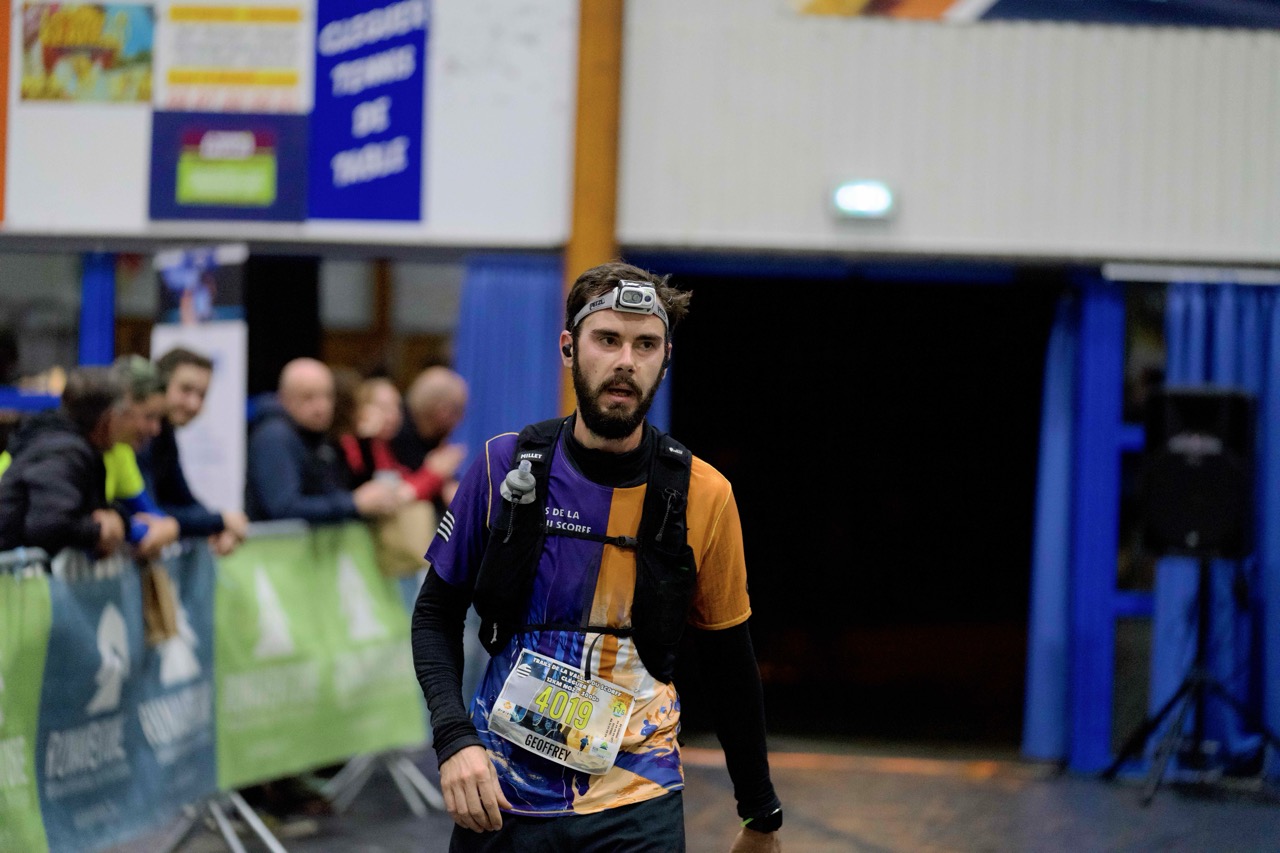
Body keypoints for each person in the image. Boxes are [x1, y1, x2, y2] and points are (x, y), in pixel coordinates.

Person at [411, 261, 784, 852]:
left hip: (637, 798)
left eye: (646, 345)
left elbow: (729, 659)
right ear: (569, 348)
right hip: (502, 797)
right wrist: (454, 740)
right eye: (607, 339)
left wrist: (760, 812)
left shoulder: (704, 493)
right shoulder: (503, 465)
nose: (626, 361)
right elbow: (435, 614)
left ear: (665, 359)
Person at [245, 357, 403, 523]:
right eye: (308, 397)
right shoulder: (275, 437)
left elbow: (337, 489)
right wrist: (353, 503)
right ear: (284, 398)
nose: (321, 407)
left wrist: (366, 442)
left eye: (327, 396)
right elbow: (284, 508)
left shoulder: (317, 435)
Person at [0, 365, 128, 559]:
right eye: (124, 415)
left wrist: (117, 518)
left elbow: (84, 507)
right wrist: (98, 530)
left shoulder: (69, 445)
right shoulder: (63, 452)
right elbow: (49, 524)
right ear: (108, 419)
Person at [138, 346, 249, 556]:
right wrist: (220, 521)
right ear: (159, 385)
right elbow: (149, 511)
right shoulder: (142, 437)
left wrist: (219, 526)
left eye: (202, 395)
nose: (193, 404)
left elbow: (182, 498)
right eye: (185, 390)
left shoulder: (165, 433)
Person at [106, 354, 180, 559]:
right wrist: (137, 529)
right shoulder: (77, 448)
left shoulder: (120, 449)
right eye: (149, 417)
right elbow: (82, 525)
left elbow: (151, 513)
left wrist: (171, 526)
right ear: (123, 404)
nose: (156, 430)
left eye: (159, 419)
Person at [388, 365, 469, 510]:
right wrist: (434, 474)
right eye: (459, 411)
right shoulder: (392, 435)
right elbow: (399, 496)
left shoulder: (434, 439)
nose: (461, 420)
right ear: (443, 411)